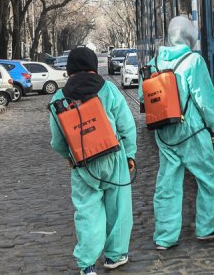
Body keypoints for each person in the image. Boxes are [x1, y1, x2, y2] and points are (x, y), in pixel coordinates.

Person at [49, 47, 137, 275]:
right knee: (118, 209)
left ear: (69, 70)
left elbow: (58, 140)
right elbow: (126, 125)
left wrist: (70, 157)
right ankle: (115, 256)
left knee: (87, 212)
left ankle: (87, 263)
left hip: (83, 163)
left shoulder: (59, 97)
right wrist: (129, 154)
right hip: (113, 156)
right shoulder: (107, 89)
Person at [145, 16, 214, 250]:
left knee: (167, 186)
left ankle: (165, 237)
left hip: (165, 133)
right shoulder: (194, 61)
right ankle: (207, 227)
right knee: (208, 179)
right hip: (192, 132)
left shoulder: (155, 61)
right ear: (191, 36)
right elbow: (204, 100)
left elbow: (144, 96)